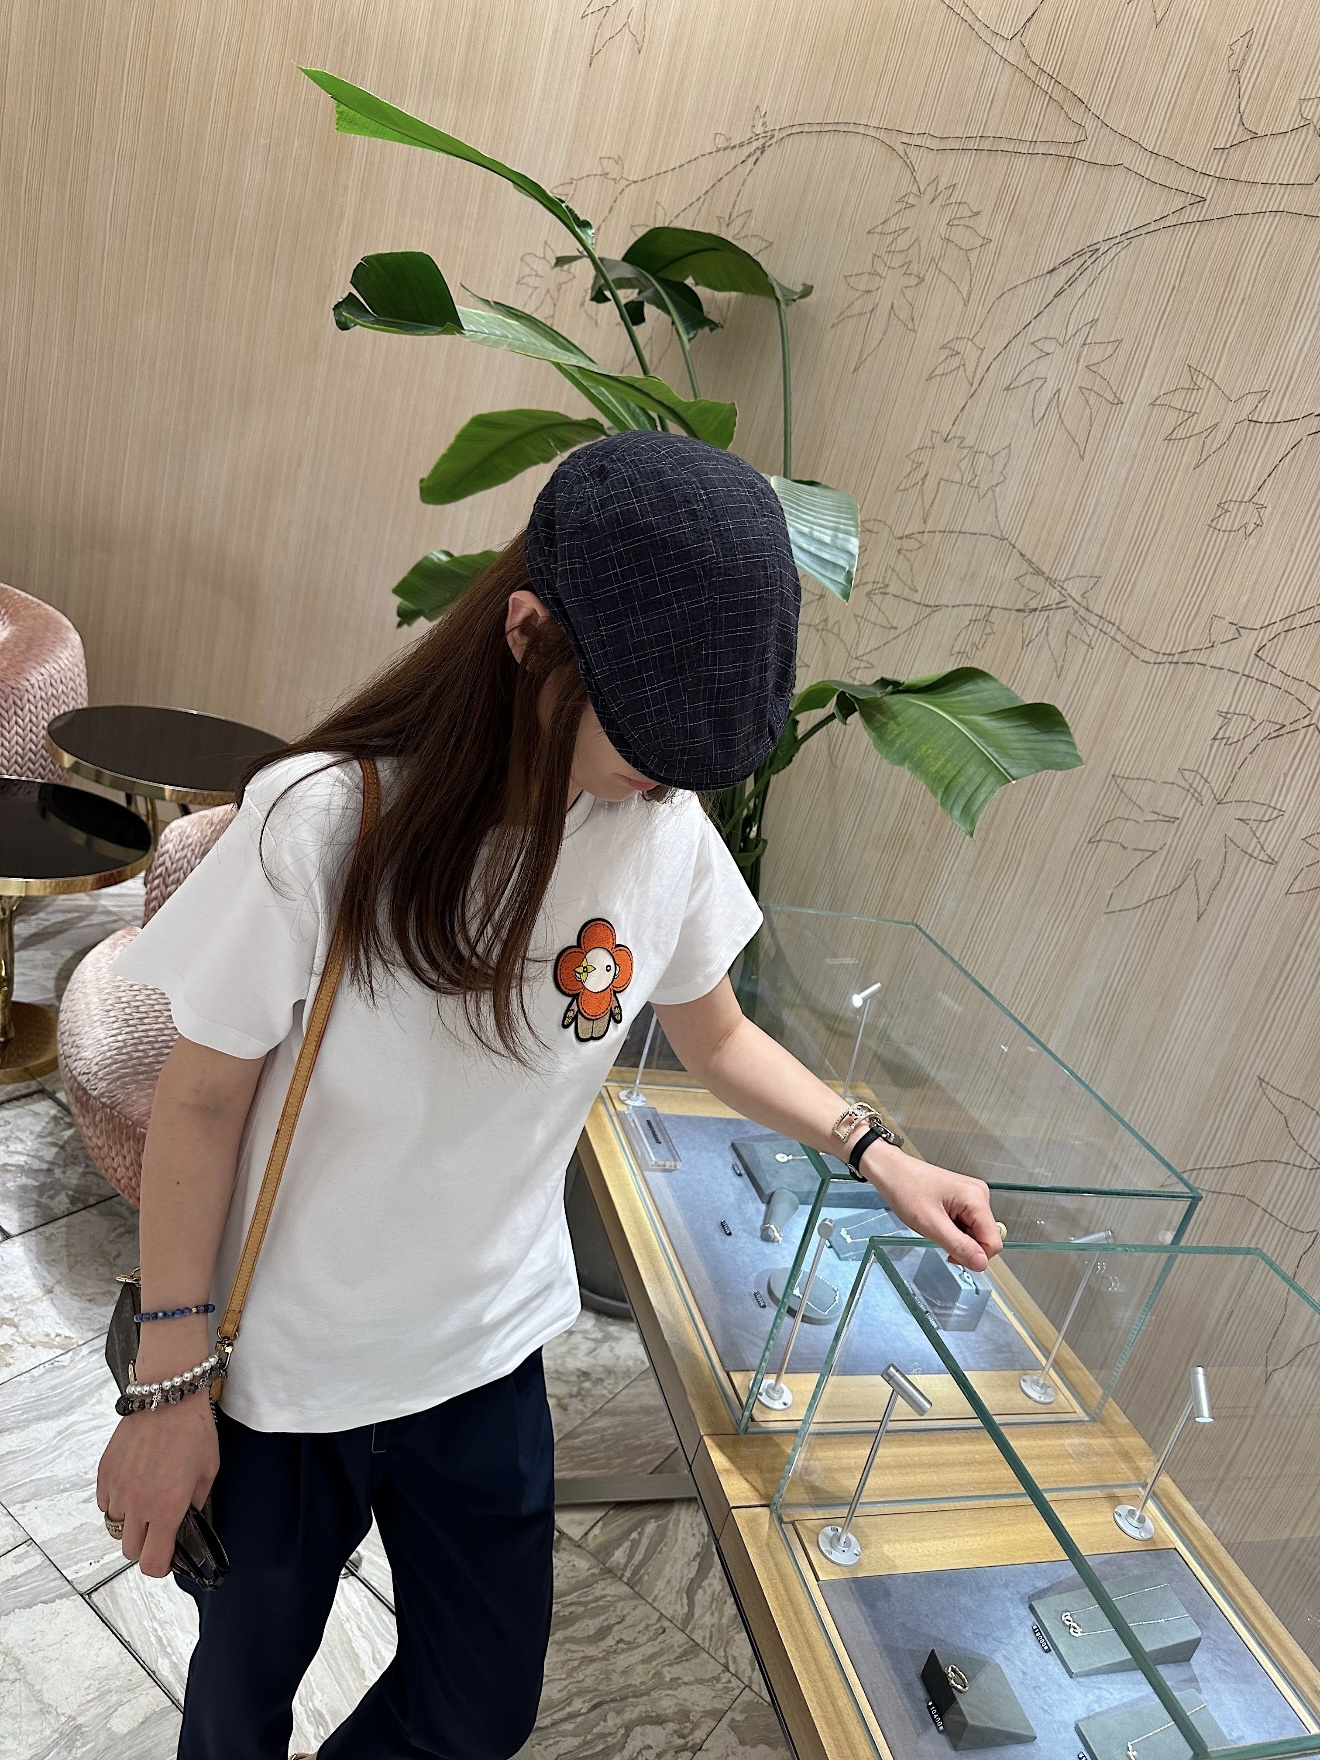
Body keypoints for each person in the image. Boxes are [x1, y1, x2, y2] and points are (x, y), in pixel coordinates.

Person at [96, 431, 1001, 1760]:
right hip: (283, 1378)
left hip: (484, 1359)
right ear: (527, 634)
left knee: (478, 1714)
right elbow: (198, 1106)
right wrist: (170, 1392)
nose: (669, 777)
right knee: (240, 1707)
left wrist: (875, 1150)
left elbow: (716, 1035)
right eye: (647, 735)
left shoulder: (662, 826)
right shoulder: (328, 821)